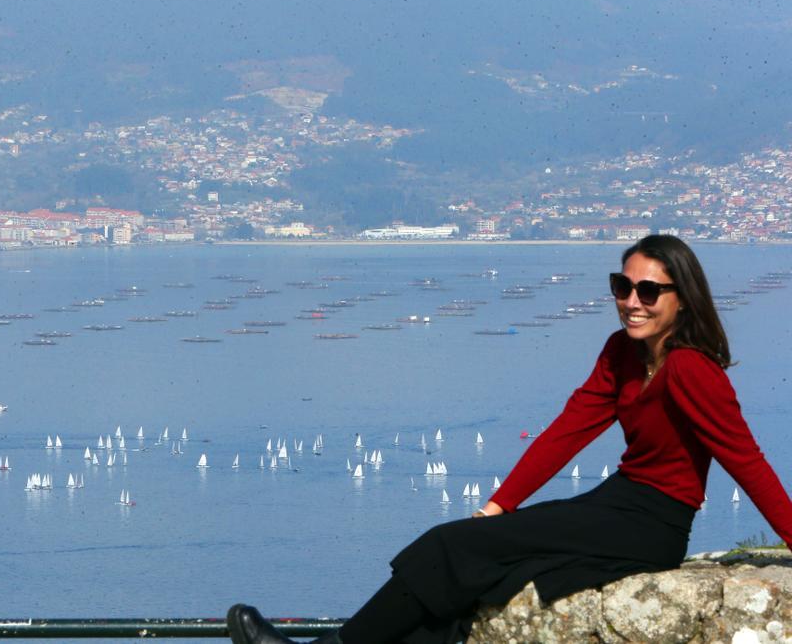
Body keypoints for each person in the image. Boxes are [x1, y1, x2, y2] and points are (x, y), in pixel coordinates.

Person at [227, 234, 792, 644]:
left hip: (653, 524)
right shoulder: (622, 352)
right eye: (623, 285)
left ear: (682, 299)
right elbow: (567, 431)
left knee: (451, 547)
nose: (632, 300)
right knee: (486, 569)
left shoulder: (693, 370)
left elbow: (746, 460)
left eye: (649, 289)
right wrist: (501, 504)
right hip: (618, 502)